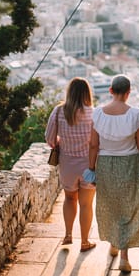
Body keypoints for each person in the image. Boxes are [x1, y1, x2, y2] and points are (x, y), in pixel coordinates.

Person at [89, 75, 139, 273]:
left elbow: (93, 144)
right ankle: (124, 256)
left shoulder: (98, 114)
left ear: (110, 90)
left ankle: (114, 243)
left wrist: (91, 168)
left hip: (105, 163)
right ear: (128, 92)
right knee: (129, 206)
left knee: (110, 204)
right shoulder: (136, 114)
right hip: (130, 163)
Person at [45, 77, 97, 252]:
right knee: (86, 204)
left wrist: (62, 142)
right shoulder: (94, 113)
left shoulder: (59, 111)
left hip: (67, 164)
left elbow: (50, 139)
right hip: (89, 165)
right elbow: (98, 142)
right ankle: (85, 241)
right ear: (87, 93)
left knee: (69, 199)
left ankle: (68, 235)